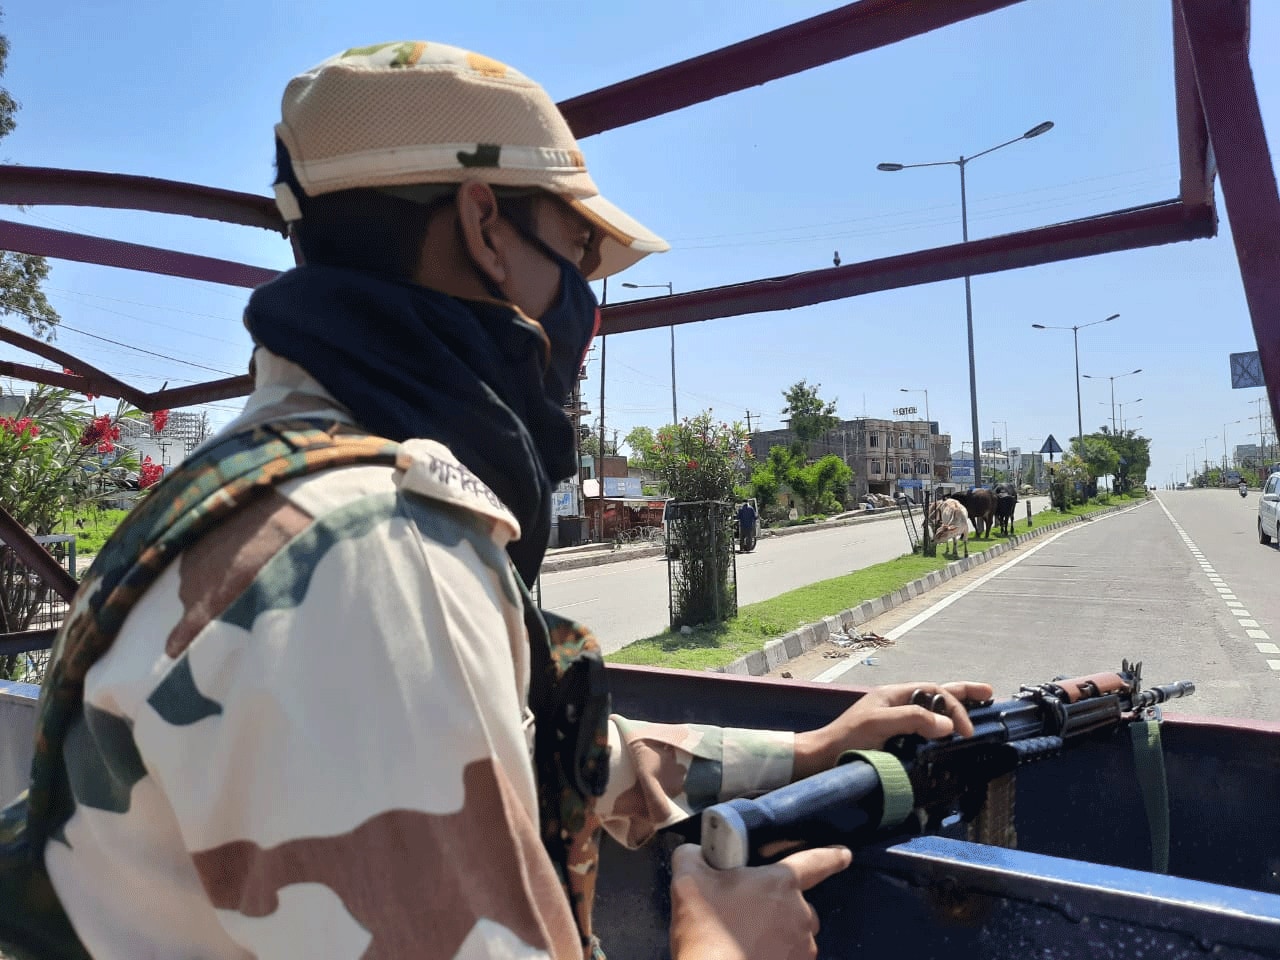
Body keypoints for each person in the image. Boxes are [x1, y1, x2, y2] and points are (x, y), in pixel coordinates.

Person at [40, 42, 991, 960]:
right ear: (486, 226)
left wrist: (815, 748)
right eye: (575, 254)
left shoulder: (255, 493)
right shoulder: (364, 555)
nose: (581, 309)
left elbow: (548, 749)